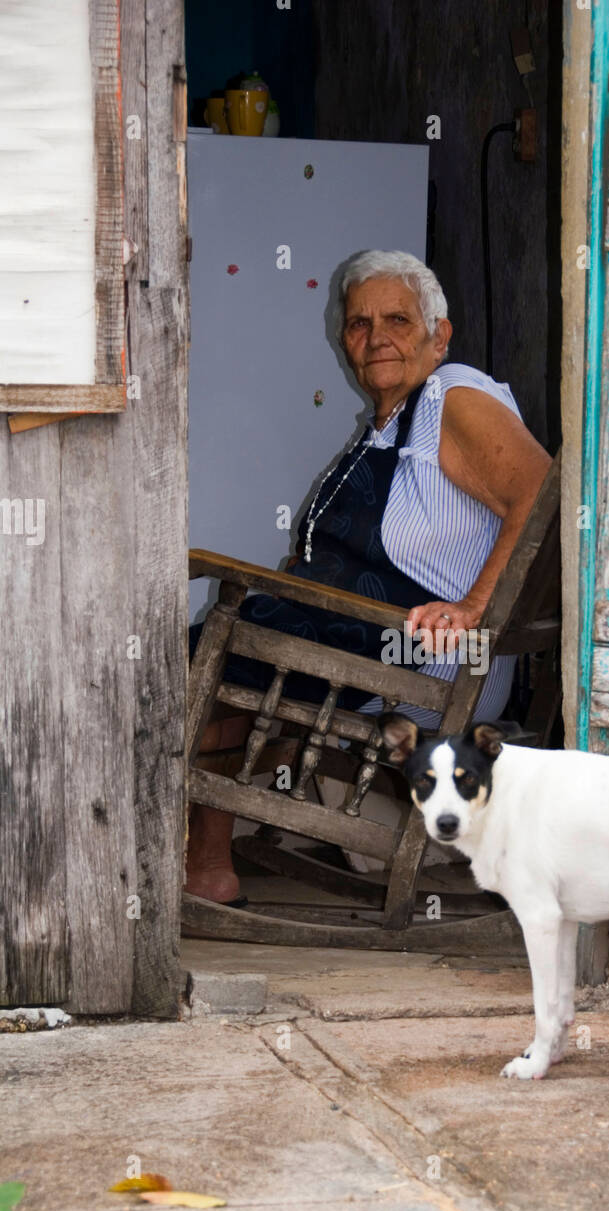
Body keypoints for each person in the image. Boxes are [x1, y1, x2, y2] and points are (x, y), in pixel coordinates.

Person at [186, 248, 552, 904]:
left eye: (398, 321)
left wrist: (474, 606)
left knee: (218, 651)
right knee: (226, 638)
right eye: (359, 324)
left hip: (426, 657)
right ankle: (200, 853)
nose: (376, 336)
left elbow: (542, 494)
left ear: (439, 335)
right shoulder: (390, 424)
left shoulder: (452, 395)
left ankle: (207, 867)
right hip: (374, 638)